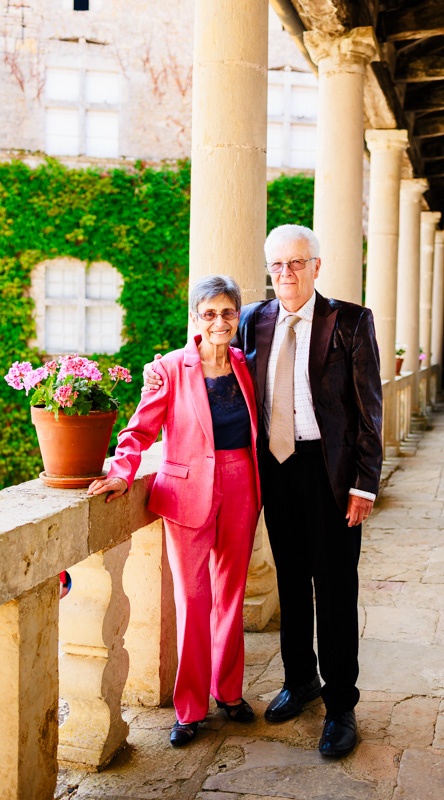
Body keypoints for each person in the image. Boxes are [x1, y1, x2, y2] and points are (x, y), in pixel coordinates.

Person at [144, 224, 383, 757]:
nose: (286, 274)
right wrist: (158, 372)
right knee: (293, 582)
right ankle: (300, 682)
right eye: (276, 266)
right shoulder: (254, 318)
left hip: (330, 472)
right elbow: (209, 352)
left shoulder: (350, 320)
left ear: (317, 266)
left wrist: (365, 484)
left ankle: (341, 705)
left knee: (337, 588)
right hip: (274, 470)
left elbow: (370, 408)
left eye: (297, 263)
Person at [88, 275, 261, 748]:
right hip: (188, 493)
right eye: (209, 313)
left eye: (228, 312)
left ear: (237, 316)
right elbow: (139, 431)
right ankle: (189, 708)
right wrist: (123, 471)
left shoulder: (246, 364)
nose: (219, 321)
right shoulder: (168, 368)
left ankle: (228, 693)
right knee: (194, 600)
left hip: (243, 483)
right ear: (195, 318)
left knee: (232, 595)